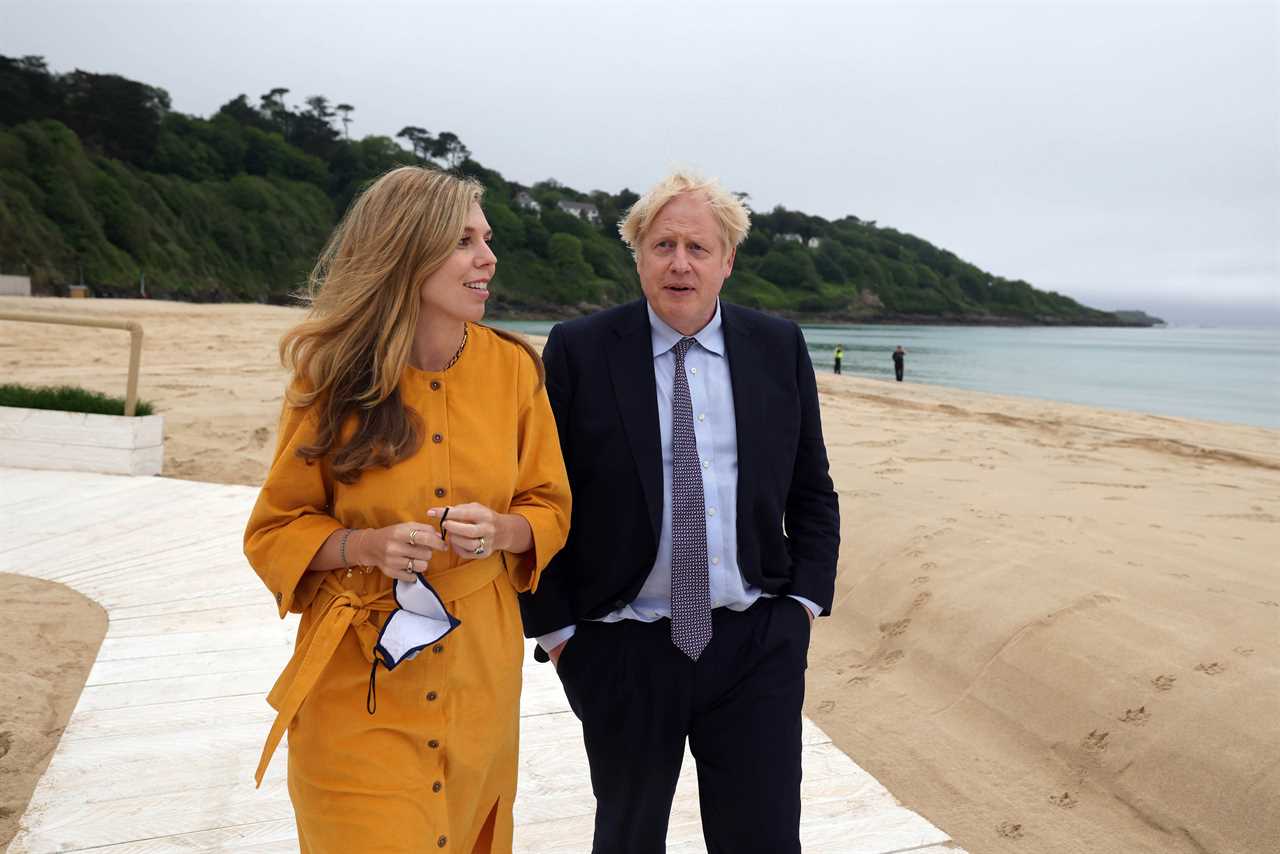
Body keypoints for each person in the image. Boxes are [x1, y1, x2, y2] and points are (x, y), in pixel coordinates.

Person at [243, 166, 571, 853]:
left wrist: (502, 531)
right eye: (463, 242)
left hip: (480, 673)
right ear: (406, 251)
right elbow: (275, 529)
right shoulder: (330, 376)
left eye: (487, 239)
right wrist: (363, 547)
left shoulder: (515, 369)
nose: (489, 258)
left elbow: (549, 507)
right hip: (356, 677)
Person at [520, 169, 840, 853]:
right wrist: (558, 635)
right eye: (662, 245)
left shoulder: (778, 346)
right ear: (637, 255)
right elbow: (537, 493)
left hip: (756, 641)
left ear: (728, 260)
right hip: (620, 645)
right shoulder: (578, 349)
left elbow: (812, 491)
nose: (680, 263)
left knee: (763, 840)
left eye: (699, 247)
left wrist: (803, 606)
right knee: (628, 840)